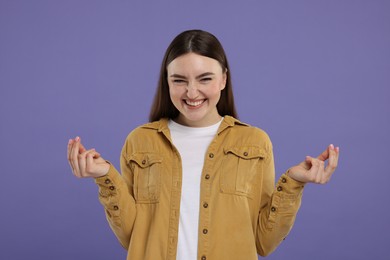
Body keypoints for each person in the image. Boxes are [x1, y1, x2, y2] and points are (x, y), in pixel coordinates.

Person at [67, 29, 339, 260]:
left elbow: (264, 242)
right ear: (167, 82)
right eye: (179, 80)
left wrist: (293, 182)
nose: (192, 92)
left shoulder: (255, 142)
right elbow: (132, 238)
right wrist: (105, 177)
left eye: (204, 78)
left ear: (223, 79)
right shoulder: (140, 141)